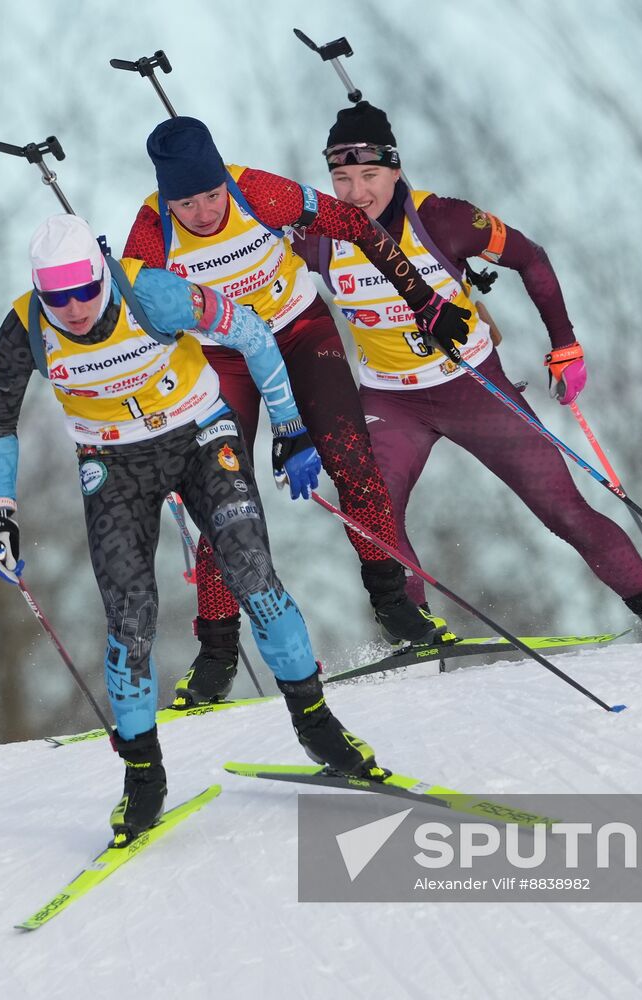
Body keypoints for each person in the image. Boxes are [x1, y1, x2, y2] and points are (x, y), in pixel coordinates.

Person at [0, 214, 384, 844]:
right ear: (39, 292)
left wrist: (289, 426)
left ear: (101, 275)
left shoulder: (151, 292)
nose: (75, 308)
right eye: (57, 298)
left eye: (85, 290)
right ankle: (144, 778)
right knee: (131, 616)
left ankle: (317, 725)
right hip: (111, 462)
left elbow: (251, 333)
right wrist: (2, 510)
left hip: (199, 435)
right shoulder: (25, 326)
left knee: (252, 574)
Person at [300, 102, 642, 640]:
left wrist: (565, 345)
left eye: (369, 176)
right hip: (390, 397)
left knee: (560, 510)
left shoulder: (442, 218)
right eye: (342, 178)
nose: (356, 193)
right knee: (374, 513)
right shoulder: (317, 236)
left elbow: (531, 258)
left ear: (395, 170)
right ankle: (417, 632)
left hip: (472, 385)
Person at [124, 116, 472, 708]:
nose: (206, 213)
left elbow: (354, 224)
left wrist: (423, 298)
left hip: (300, 333)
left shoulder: (258, 192)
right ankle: (216, 654)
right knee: (222, 497)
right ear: (165, 199)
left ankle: (395, 606)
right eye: (188, 203)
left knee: (353, 464)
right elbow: (135, 316)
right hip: (220, 356)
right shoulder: (151, 232)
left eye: (212, 195)